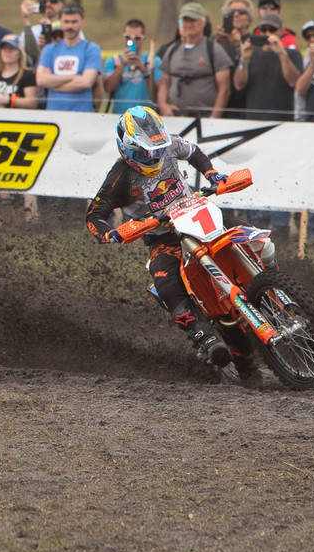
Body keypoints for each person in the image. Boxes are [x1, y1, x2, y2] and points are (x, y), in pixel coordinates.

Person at [85, 105, 253, 377]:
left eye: (156, 148)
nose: (153, 156)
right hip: (163, 235)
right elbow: (95, 215)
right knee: (165, 282)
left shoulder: (170, 144)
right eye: (144, 152)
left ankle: (272, 292)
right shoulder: (120, 177)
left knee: (249, 235)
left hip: (198, 213)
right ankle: (204, 336)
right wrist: (112, 234)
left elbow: (193, 152)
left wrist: (212, 174)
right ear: (126, 149)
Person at [157, 4, 234, 118]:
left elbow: (224, 89)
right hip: (175, 117)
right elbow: (164, 83)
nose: (188, 24)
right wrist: (163, 105)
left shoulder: (214, 50)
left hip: (204, 117)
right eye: (185, 20)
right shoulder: (172, 50)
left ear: (203, 22)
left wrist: (213, 119)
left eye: (193, 20)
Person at [234, 7, 300, 121]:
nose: (267, 33)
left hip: (283, 121)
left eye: (272, 30)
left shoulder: (292, 54)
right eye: (263, 30)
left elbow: (293, 82)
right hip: (254, 120)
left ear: (280, 31)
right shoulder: (252, 54)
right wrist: (244, 59)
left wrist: (282, 54)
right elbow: (239, 85)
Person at [35, 3, 101, 111]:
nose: (70, 26)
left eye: (74, 22)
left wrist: (54, 85)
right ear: (61, 22)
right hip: (54, 118)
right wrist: (72, 77)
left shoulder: (92, 49)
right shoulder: (49, 49)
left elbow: (86, 82)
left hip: (82, 116)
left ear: (82, 23)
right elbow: (41, 80)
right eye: (66, 22)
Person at [101, 19, 157, 110]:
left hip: (145, 118)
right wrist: (122, 65)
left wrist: (144, 71)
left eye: (137, 38)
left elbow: (157, 92)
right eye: (128, 38)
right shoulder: (113, 61)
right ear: (123, 37)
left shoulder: (152, 61)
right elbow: (108, 88)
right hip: (120, 116)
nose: (133, 41)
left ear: (143, 39)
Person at [0, 35, 39, 107]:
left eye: (12, 48)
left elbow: (32, 103)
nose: (7, 51)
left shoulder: (28, 75)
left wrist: (9, 100)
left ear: (20, 53)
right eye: (4, 48)